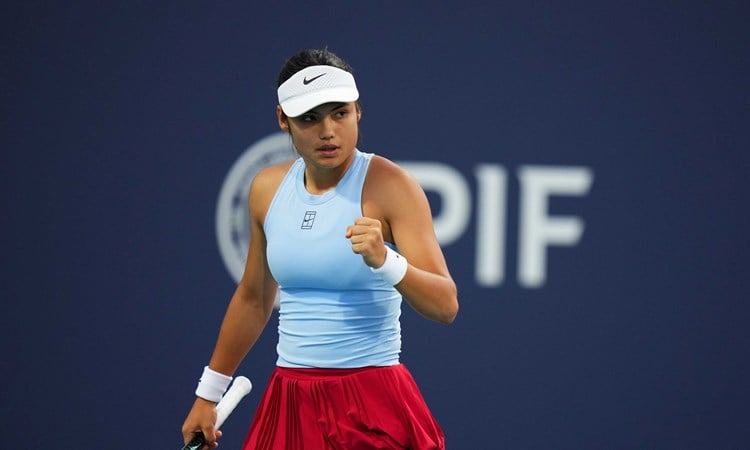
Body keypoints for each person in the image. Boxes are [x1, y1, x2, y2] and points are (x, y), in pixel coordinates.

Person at [181, 48, 459, 450]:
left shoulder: (392, 186)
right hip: (290, 399)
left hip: (372, 399)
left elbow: (446, 306)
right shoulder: (266, 189)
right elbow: (254, 297)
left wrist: (387, 262)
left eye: (340, 113)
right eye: (309, 118)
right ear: (283, 120)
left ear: (358, 111)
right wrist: (208, 394)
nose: (328, 131)